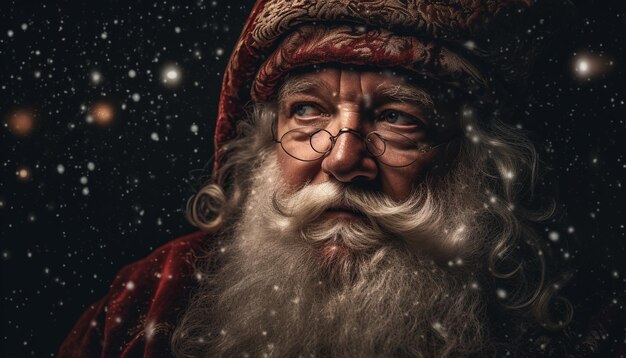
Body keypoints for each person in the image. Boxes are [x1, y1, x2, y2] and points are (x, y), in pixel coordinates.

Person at [59, 1, 624, 357]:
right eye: (307, 111)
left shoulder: (585, 328)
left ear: (481, 162)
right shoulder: (155, 295)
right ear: (263, 143)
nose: (342, 158)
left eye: (398, 118)